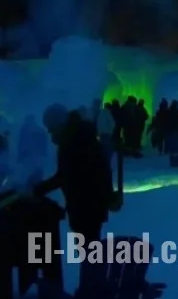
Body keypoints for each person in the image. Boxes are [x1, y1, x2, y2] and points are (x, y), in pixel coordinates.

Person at [34, 112, 115, 297]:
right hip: (91, 205)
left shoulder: (72, 144)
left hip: (84, 206)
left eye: (52, 129)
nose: (50, 134)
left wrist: (38, 189)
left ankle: (92, 290)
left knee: (88, 250)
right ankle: (92, 287)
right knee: (90, 249)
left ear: (60, 126)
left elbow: (65, 176)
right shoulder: (83, 138)